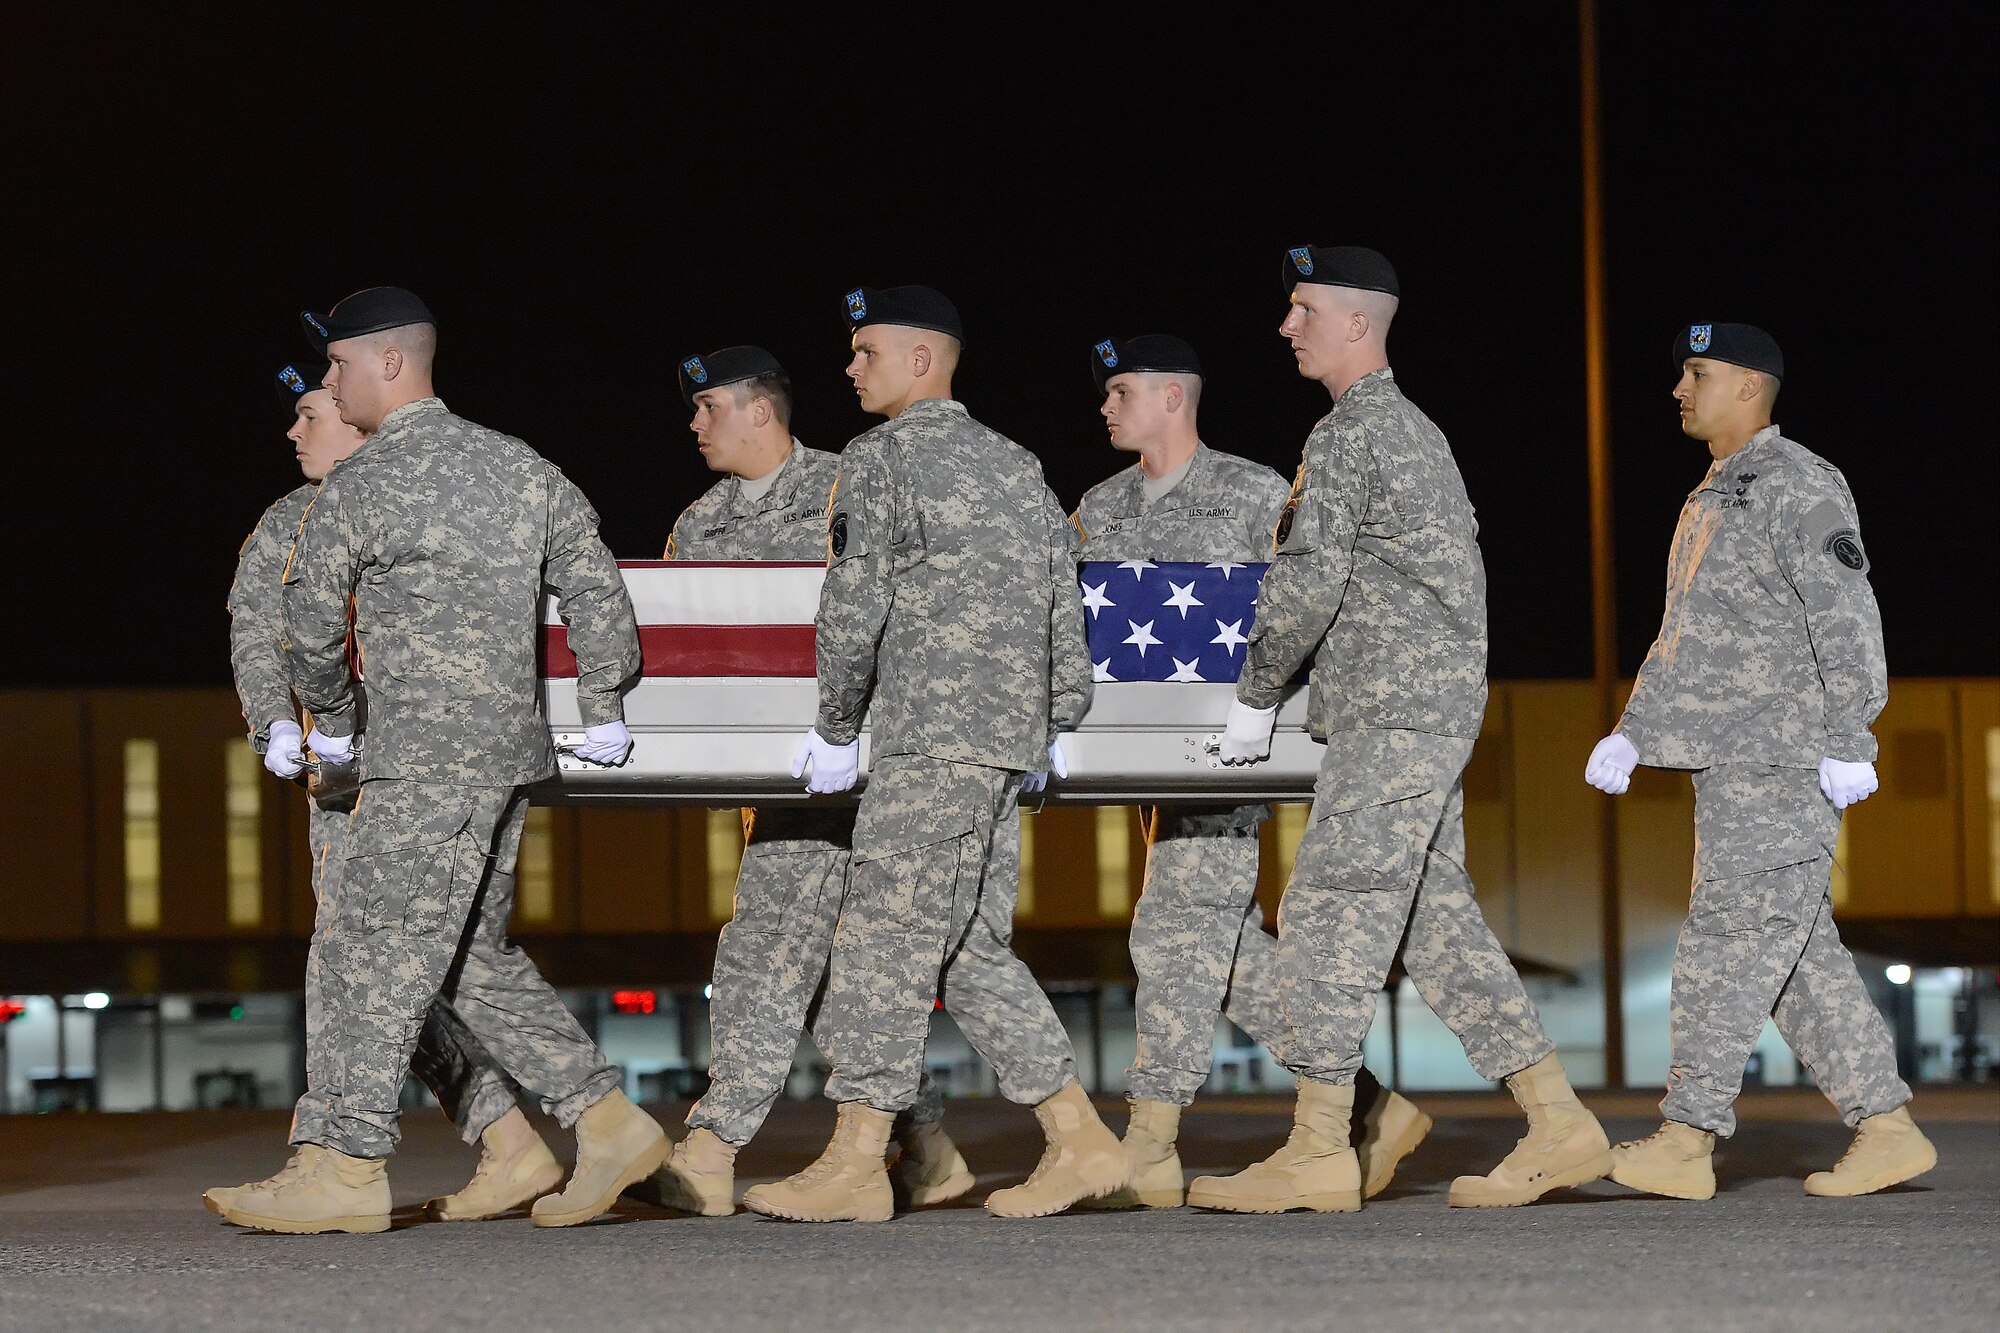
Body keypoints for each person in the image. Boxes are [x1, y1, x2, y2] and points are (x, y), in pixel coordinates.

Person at [216, 286, 665, 1234]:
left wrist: (329, 721)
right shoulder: (520, 465)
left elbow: (302, 622)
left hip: (415, 762)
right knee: (465, 956)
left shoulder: (366, 484)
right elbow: (596, 581)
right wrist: (601, 703)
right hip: (503, 761)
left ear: (388, 363)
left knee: (361, 944)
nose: (328, 389)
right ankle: (605, 1119)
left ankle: (342, 1164)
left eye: (336, 370)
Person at [1194, 246, 1610, 1213]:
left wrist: (1254, 696)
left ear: (1355, 322)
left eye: (1301, 308)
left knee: (1328, 908)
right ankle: (1558, 1120)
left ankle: (1318, 1147)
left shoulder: (1352, 436)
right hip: (1426, 703)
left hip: (1394, 708)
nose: (1286, 325)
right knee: (1432, 923)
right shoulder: (1410, 431)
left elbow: (1306, 582)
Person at [742, 285, 1127, 1222]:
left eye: (866, 350)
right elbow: (1060, 605)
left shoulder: (880, 460)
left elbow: (854, 604)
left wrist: (836, 728)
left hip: (928, 738)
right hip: (1002, 745)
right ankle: (1080, 1138)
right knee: (963, 951)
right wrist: (1052, 721)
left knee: (877, 939)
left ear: (923, 359)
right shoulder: (1017, 463)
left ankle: (857, 1161)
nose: (850, 366)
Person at [1071, 334, 1430, 1208]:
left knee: (1172, 932)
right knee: (1221, 956)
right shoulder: (1098, 505)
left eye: (1122, 391)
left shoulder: (1256, 492)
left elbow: (1310, 604)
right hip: (1144, 768)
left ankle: (1150, 1141)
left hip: (1230, 754)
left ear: (1174, 397)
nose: (1107, 408)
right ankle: (1372, 1106)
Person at [207, 360, 560, 1226]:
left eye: (310, 412)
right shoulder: (288, 521)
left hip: (434, 772)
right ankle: (498, 1137)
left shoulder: (424, 502)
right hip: (345, 788)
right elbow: (259, 633)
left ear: (359, 419)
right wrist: (274, 728)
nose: (295, 431)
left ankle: (354, 1153)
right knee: (368, 967)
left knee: (394, 964)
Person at [1587, 322, 1935, 1200]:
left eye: (1695, 373)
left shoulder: (1799, 483)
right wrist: (1633, 729)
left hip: (1782, 763)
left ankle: (1688, 1131)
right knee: (1797, 960)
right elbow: (1685, 637)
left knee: (1726, 941)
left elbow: (1846, 615)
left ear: (1748, 385)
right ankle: (1886, 1127)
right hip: (1732, 765)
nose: (1678, 388)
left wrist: (1853, 736)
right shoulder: (1708, 496)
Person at [647, 346, 974, 1216]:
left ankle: (711, 1147)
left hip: (871, 766)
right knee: (839, 983)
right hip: (780, 785)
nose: (695, 422)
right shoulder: (698, 525)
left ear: (762, 411)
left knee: (762, 947)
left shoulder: (850, 487)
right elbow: (692, 659)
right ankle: (928, 1144)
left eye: (709, 405)